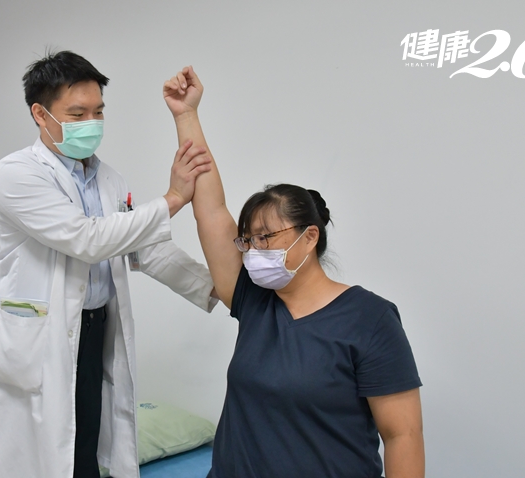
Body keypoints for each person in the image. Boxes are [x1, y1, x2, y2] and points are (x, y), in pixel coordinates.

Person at [0, 51, 218, 478]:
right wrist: (173, 198)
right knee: (29, 458)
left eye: (98, 112)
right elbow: (88, 240)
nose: (92, 123)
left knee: (82, 451)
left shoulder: (109, 179)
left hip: (94, 331)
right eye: (77, 114)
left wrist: (219, 287)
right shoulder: (16, 173)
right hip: (38, 339)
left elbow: (143, 249)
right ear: (40, 114)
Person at [162, 66, 425, 478]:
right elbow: (211, 210)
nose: (254, 251)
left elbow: (402, 436)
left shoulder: (370, 319)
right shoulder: (254, 301)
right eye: (249, 240)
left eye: (266, 237)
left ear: (309, 237)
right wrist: (186, 115)